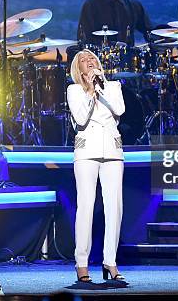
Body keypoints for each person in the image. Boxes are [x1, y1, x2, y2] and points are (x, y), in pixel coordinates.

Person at [67, 49, 126, 283]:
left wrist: (101, 87)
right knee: (86, 207)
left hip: (112, 149)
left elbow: (119, 110)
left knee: (115, 208)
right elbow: (81, 119)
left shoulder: (113, 87)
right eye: (84, 60)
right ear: (78, 69)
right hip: (86, 151)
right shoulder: (74, 90)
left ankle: (110, 261)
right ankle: (81, 264)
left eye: (92, 59)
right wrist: (90, 90)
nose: (89, 62)